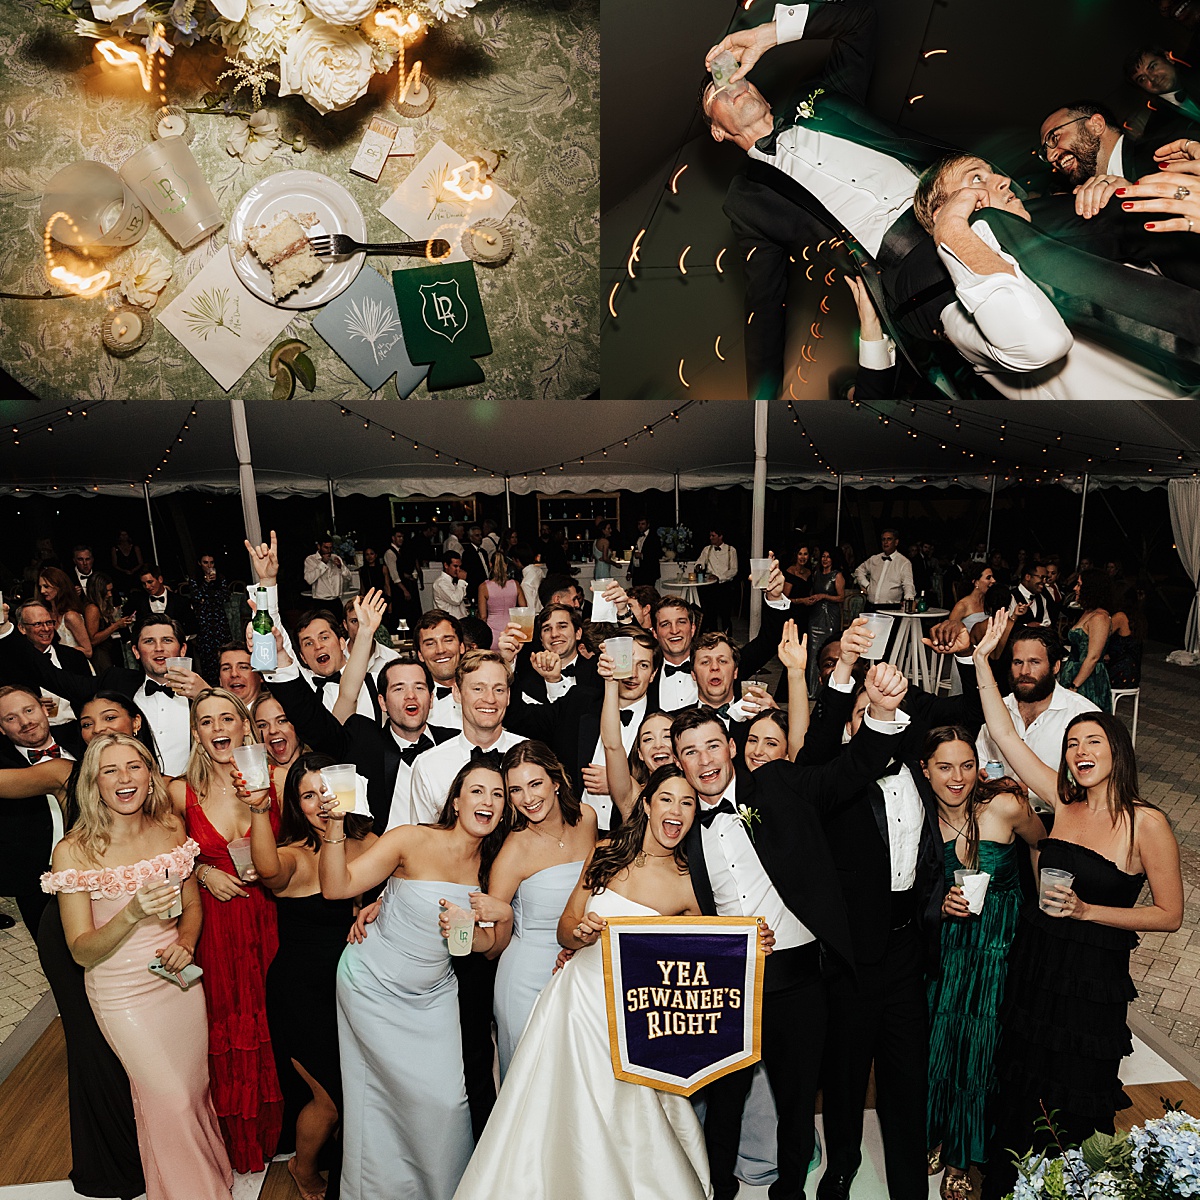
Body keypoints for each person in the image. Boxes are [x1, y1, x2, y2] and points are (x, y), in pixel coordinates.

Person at [674, 662, 911, 1200]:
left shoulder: (778, 784)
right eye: (690, 752)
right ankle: (719, 1189)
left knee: (798, 1101)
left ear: (731, 748)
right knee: (723, 1101)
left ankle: (789, 1192)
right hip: (727, 988)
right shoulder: (681, 824)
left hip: (801, 982)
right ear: (678, 762)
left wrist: (880, 713)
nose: (704, 761)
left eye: (712, 746)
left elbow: (846, 772)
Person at [969, 614, 1183, 1199]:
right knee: (1021, 1076)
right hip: (1036, 965)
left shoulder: (1147, 823)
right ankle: (1010, 1183)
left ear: (1117, 749)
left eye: (1093, 741)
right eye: (1071, 745)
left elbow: (1169, 915)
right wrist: (984, 662)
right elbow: (1006, 738)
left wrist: (1091, 912)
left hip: (1092, 981)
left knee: (1074, 1089)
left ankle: (1070, 1189)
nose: (1079, 751)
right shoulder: (1062, 805)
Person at [454, 765, 738, 1200]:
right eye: (666, 799)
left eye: (687, 802)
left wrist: (752, 944)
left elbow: (702, 957)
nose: (676, 811)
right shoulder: (605, 852)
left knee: (630, 1114)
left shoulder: (688, 884)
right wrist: (579, 934)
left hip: (636, 1014)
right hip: (576, 1002)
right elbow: (565, 927)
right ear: (646, 804)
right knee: (560, 1109)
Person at [44, 732, 233, 1200]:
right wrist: (131, 912)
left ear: (151, 776)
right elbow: (81, 951)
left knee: (191, 1093)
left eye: (134, 766)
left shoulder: (170, 829)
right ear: (94, 783)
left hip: (177, 985)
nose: (124, 779)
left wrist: (186, 943)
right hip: (121, 993)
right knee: (168, 1098)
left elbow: (192, 906)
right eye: (110, 770)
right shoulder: (73, 853)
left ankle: (188, 1183)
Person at [319, 758, 509, 1200]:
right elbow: (337, 887)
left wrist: (472, 929)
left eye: (498, 795)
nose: (488, 801)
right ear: (457, 801)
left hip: (434, 994)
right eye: (477, 791)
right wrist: (334, 826)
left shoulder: (492, 866)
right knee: (382, 1099)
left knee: (446, 1105)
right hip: (372, 984)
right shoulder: (410, 838)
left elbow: (483, 948)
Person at [2, 692, 158, 1200]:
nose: (95, 730)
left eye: (107, 720)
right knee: (93, 1042)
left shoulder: (140, 780)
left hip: (128, 919)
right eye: (87, 723)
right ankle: (116, 1166)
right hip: (74, 918)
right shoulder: (69, 771)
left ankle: (154, 1147)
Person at [911, 153, 1196, 399]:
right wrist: (950, 230)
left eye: (991, 172)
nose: (1003, 180)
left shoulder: (1055, 244)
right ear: (948, 211)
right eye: (975, 179)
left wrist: (1122, 198)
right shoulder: (959, 312)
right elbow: (1041, 343)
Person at [238, 751, 376, 1200]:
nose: (321, 802)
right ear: (297, 805)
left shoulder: (371, 841)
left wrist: (377, 905)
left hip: (357, 990)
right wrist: (259, 811)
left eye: (327, 791)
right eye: (308, 795)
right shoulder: (295, 856)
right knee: (330, 1100)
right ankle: (304, 1168)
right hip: (302, 994)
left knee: (360, 1095)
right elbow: (269, 872)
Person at [922, 727, 1045, 1199]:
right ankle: (933, 1134)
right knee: (939, 1040)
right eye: (946, 766)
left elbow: (1042, 841)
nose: (958, 777)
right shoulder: (919, 816)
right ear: (925, 769)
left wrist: (1036, 901)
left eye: (967, 765)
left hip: (997, 947)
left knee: (980, 1048)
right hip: (949, 944)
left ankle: (964, 1157)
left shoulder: (1005, 806)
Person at [166, 689, 283, 1174]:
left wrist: (275, 866)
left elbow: (302, 843)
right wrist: (200, 872)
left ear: (244, 726)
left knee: (276, 1020)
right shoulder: (179, 792)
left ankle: (284, 1133)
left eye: (227, 718)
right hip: (216, 925)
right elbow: (161, 858)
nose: (217, 727)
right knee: (228, 1022)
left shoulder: (274, 778)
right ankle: (239, 1138)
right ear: (196, 733)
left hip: (271, 916)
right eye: (206, 720)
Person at [483, 740, 597, 1077]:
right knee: (530, 1084)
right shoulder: (513, 851)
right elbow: (493, 938)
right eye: (515, 789)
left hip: (581, 971)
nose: (528, 798)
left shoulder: (587, 820)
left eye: (535, 784)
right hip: (526, 981)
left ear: (556, 781)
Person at [1060, 569, 1114, 711]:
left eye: (1079, 585)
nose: (1075, 588)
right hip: (1073, 671)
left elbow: (1093, 657)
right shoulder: (1088, 612)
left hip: (1088, 679)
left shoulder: (1100, 618)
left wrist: (1075, 686)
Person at [801, 549, 846, 698]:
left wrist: (824, 596)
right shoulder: (816, 574)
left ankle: (826, 688)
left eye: (828, 557)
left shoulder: (837, 575)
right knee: (812, 651)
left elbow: (841, 597)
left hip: (830, 616)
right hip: (815, 615)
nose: (825, 560)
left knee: (828, 651)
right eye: (823, 557)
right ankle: (811, 690)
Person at [187, 553, 231, 688]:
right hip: (204, 622)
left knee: (223, 652)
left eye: (211, 562)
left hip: (219, 620)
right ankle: (210, 687)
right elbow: (197, 597)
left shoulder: (221, 578)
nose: (209, 566)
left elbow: (224, 597)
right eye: (206, 562)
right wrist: (206, 584)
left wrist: (207, 597)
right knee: (207, 656)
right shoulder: (195, 580)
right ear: (200, 564)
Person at [251, 691, 302, 796]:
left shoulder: (322, 770)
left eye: (282, 721)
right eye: (262, 725)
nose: (272, 730)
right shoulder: (255, 782)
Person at [854, 528, 916, 613]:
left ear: (896, 542)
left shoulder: (904, 562)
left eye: (889, 539)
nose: (885, 542)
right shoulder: (874, 559)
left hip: (891, 608)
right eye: (883, 539)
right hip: (870, 606)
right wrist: (867, 585)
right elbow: (859, 571)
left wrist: (909, 601)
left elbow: (908, 584)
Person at [84, 573, 134, 673]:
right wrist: (116, 625)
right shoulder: (92, 609)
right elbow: (93, 640)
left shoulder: (102, 606)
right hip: (101, 656)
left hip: (110, 652)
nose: (110, 594)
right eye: (106, 591)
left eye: (110, 590)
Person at [40, 565, 94, 657]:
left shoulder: (71, 616)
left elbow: (88, 651)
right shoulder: (47, 614)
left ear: (59, 586)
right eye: (40, 586)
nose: (42, 591)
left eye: (46, 586)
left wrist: (59, 651)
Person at [130, 564, 196, 638]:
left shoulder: (180, 601)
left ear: (160, 579)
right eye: (143, 584)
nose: (147, 587)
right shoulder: (140, 602)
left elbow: (192, 628)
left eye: (150, 582)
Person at [696, 527, 739, 634]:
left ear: (720, 536)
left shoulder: (731, 550)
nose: (710, 538)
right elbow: (699, 562)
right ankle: (713, 636)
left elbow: (734, 570)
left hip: (725, 586)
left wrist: (719, 577)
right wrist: (699, 567)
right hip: (710, 586)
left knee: (725, 614)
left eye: (713, 536)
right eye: (710, 536)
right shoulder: (707, 549)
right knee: (710, 614)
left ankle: (727, 637)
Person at [478, 552, 525, 648]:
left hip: (492, 633)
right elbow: (524, 609)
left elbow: (483, 616)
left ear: (490, 564)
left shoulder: (484, 587)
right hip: (512, 630)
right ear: (506, 565)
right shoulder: (515, 584)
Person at [1105, 587, 1145, 688]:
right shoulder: (1138, 617)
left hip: (1120, 672)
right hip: (1132, 672)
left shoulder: (1120, 617)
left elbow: (1101, 634)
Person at [303, 539, 350, 604]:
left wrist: (340, 567)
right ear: (319, 546)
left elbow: (349, 577)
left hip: (336, 600)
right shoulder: (311, 560)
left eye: (331, 548)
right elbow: (309, 579)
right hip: (320, 601)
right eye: (326, 547)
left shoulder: (336, 558)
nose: (329, 550)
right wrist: (323, 563)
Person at [433, 552, 470, 619]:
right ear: (446, 565)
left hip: (460, 620)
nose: (458, 569)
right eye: (455, 566)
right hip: (449, 622)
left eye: (460, 566)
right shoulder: (440, 583)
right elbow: (456, 600)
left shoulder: (454, 580)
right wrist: (461, 581)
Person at [629, 517, 662, 589]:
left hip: (649, 571)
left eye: (643, 524)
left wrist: (642, 555)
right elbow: (633, 555)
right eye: (639, 524)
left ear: (648, 525)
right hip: (637, 572)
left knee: (648, 595)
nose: (640, 526)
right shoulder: (636, 536)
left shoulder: (654, 537)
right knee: (636, 593)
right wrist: (629, 571)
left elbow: (657, 553)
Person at [110, 531, 145, 598]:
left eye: (125, 534)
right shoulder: (115, 549)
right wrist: (124, 571)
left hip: (135, 574)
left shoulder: (135, 548)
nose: (123, 537)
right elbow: (114, 564)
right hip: (121, 576)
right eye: (121, 535)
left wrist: (133, 570)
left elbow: (140, 562)